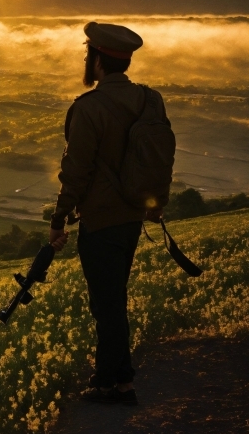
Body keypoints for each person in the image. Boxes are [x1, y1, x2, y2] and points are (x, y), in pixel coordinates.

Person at [49, 21, 170, 405]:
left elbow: (76, 171)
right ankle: (122, 382)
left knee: (106, 304)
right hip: (132, 217)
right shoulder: (149, 100)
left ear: (97, 59)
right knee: (112, 299)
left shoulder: (89, 109)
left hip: (101, 220)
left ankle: (109, 383)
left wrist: (59, 218)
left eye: (89, 54)